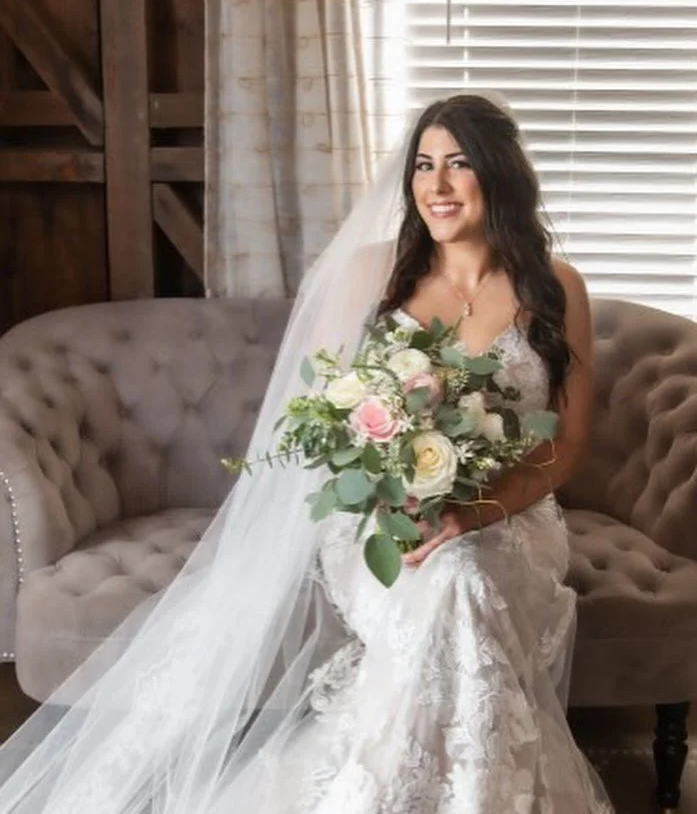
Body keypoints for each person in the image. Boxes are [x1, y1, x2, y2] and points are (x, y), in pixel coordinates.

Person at [0, 94, 614, 813]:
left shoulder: (554, 286)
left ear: (499, 175)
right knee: (447, 582)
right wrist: (400, 496)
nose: (436, 185)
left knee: (462, 578)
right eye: (423, 165)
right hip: (382, 519)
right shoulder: (373, 275)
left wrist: (471, 510)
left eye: (458, 164)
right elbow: (323, 421)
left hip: (508, 518)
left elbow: (566, 442)